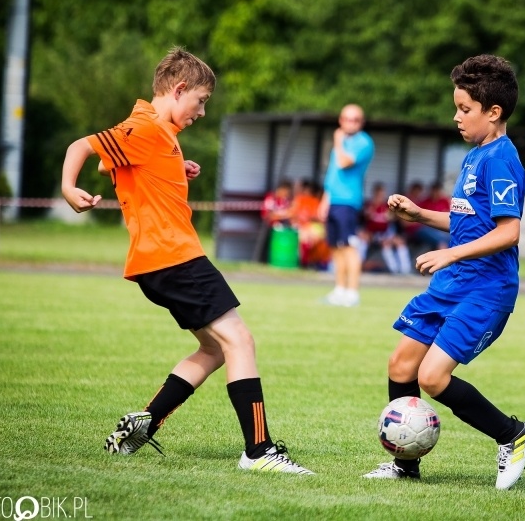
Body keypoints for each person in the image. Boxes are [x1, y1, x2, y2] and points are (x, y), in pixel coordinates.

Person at [60, 47, 313, 474]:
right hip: (174, 255)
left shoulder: (157, 135)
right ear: (178, 89)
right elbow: (81, 146)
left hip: (157, 261)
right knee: (240, 341)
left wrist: (175, 168)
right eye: (200, 101)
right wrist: (68, 188)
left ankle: (144, 425)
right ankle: (259, 452)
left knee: (214, 349)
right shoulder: (145, 127)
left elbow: (110, 166)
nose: (201, 112)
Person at [363, 54, 525, 490]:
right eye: (456, 107)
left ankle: (514, 435)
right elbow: (465, 221)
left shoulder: (502, 159)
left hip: (485, 289)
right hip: (452, 283)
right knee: (401, 363)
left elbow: (509, 232)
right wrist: (421, 214)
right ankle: (405, 465)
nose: (456, 117)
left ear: (493, 113)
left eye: (465, 110)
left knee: (433, 377)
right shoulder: (476, 155)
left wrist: (451, 255)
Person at [318, 104, 375, 306]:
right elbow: (332, 175)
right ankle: (339, 289)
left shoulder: (363, 142)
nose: (350, 123)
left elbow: (343, 163)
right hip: (333, 200)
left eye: (355, 119)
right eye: (347, 119)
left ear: (361, 122)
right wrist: (325, 200)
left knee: (349, 246)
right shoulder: (343, 142)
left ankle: (353, 292)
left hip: (348, 202)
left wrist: (337, 141)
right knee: (335, 247)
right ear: (341, 120)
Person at [362, 182, 412, 274]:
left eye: (382, 195)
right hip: (371, 234)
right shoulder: (369, 205)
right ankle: (359, 266)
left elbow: (392, 220)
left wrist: (391, 215)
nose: (380, 197)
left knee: (399, 243)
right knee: (362, 241)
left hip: (386, 234)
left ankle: (404, 270)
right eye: (378, 195)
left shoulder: (388, 206)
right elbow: (366, 219)